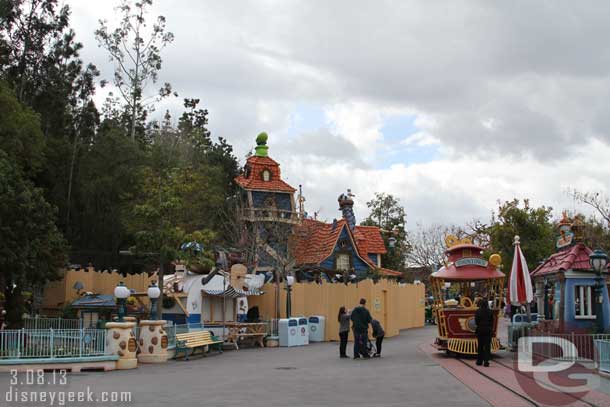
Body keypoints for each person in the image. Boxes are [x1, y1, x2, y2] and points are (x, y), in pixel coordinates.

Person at [475, 298, 493, 367]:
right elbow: (492, 321)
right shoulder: (490, 311)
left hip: (480, 329)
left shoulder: (478, 311)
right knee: (487, 346)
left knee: (480, 345)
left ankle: (479, 361)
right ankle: (486, 361)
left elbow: (476, 321)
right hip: (488, 330)